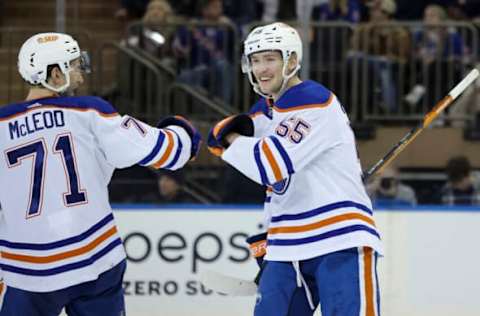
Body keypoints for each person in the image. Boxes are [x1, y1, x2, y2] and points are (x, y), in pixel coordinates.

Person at [0, 32, 201, 315]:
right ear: (55, 74)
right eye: (72, 64)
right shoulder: (89, 112)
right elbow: (165, 152)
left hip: (27, 270)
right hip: (93, 260)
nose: (80, 71)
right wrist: (183, 134)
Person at [208, 22, 383, 316]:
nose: (261, 68)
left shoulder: (312, 98)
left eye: (270, 59)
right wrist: (270, 234)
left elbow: (270, 165)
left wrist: (231, 139)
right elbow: (276, 188)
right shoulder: (265, 112)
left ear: (291, 60)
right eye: (255, 60)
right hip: (287, 245)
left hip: (339, 238)